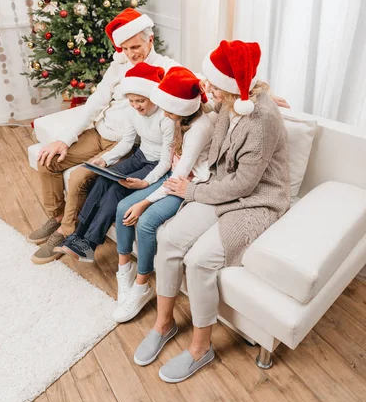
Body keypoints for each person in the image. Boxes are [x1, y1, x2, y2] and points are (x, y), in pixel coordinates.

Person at [134, 39, 291, 383]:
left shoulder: (261, 120)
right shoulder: (232, 103)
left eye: (212, 83)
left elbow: (244, 186)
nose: (207, 87)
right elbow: (203, 106)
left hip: (256, 201)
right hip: (220, 189)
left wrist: (191, 190)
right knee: (170, 239)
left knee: (199, 260)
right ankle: (164, 325)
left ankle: (200, 349)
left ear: (231, 87)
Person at [28, 8, 179, 264]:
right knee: (48, 160)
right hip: (99, 132)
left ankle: (67, 232)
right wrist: (65, 138)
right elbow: (94, 103)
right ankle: (56, 219)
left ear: (150, 39)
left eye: (136, 46)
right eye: (125, 48)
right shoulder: (117, 66)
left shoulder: (166, 68)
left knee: (79, 179)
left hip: (123, 143)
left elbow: (195, 82)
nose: (131, 54)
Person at [112, 66, 214, 323]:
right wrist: (147, 182)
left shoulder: (198, 129)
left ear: (181, 108)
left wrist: (146, 200)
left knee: (146, 222)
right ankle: (124, 270)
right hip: (174, 176)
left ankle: (142, 285)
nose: (164, 113)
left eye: (168, 108)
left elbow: (180, 174)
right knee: (123, 207)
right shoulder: (179, 118)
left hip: (189, 183)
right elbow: (168, 163)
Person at [55, 63, 175, 272]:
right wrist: (106, 160)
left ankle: (89, 244)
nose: (136, 106)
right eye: (131, 101)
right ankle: (77, 235)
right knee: (102, 180)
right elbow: (128, 142)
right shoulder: (132, 112)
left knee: (117, 189)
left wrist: (146, 182)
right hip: (139, 156)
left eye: (140, 101)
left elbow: (166, 162)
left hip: (156, 164)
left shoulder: (166, 119)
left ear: (153, 97)